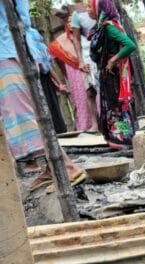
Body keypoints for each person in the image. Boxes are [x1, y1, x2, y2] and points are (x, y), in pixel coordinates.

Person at [0, 0, 85, 191]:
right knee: (15, 115)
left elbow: (22, 18)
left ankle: (66, 167)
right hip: (9, 51)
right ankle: (51, 168)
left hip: (5, 52)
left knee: (22, 115)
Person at [87, 0, 136, 149]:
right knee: (112, 106)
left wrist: (113, 60)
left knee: (117, 106)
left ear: (100, 9)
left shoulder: (109, 28)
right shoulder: (101, 28)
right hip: (107, 74)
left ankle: (124, 139)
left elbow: (130, 45)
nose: (88, 10)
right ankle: (117, 138)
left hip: (112, 74)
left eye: (90, 6)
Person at [69, 0, 99, 131]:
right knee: (90, 91)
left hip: (103, 54)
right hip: (87, 56)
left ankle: (110, 122)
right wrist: (80, 60)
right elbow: (75, 38)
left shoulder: (101, 7)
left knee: (107, 90)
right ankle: (95, 124)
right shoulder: (77, 14)